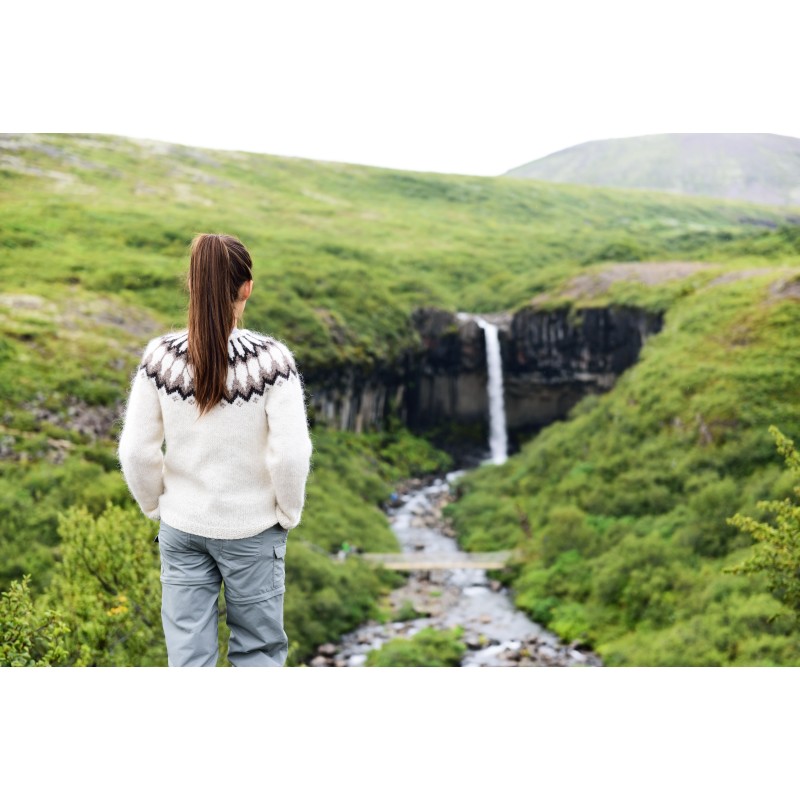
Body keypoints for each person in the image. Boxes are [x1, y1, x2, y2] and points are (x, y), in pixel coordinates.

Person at [117, 233, 313, 667]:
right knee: (257, 653)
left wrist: (158, 507)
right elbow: (292, 454)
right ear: (247, 287)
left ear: (193, 285)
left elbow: (134, 451)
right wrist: (288, 513)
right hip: (253, 530)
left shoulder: (160, 358)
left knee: (188, 658)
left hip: (182, 528)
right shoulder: (272, 362)